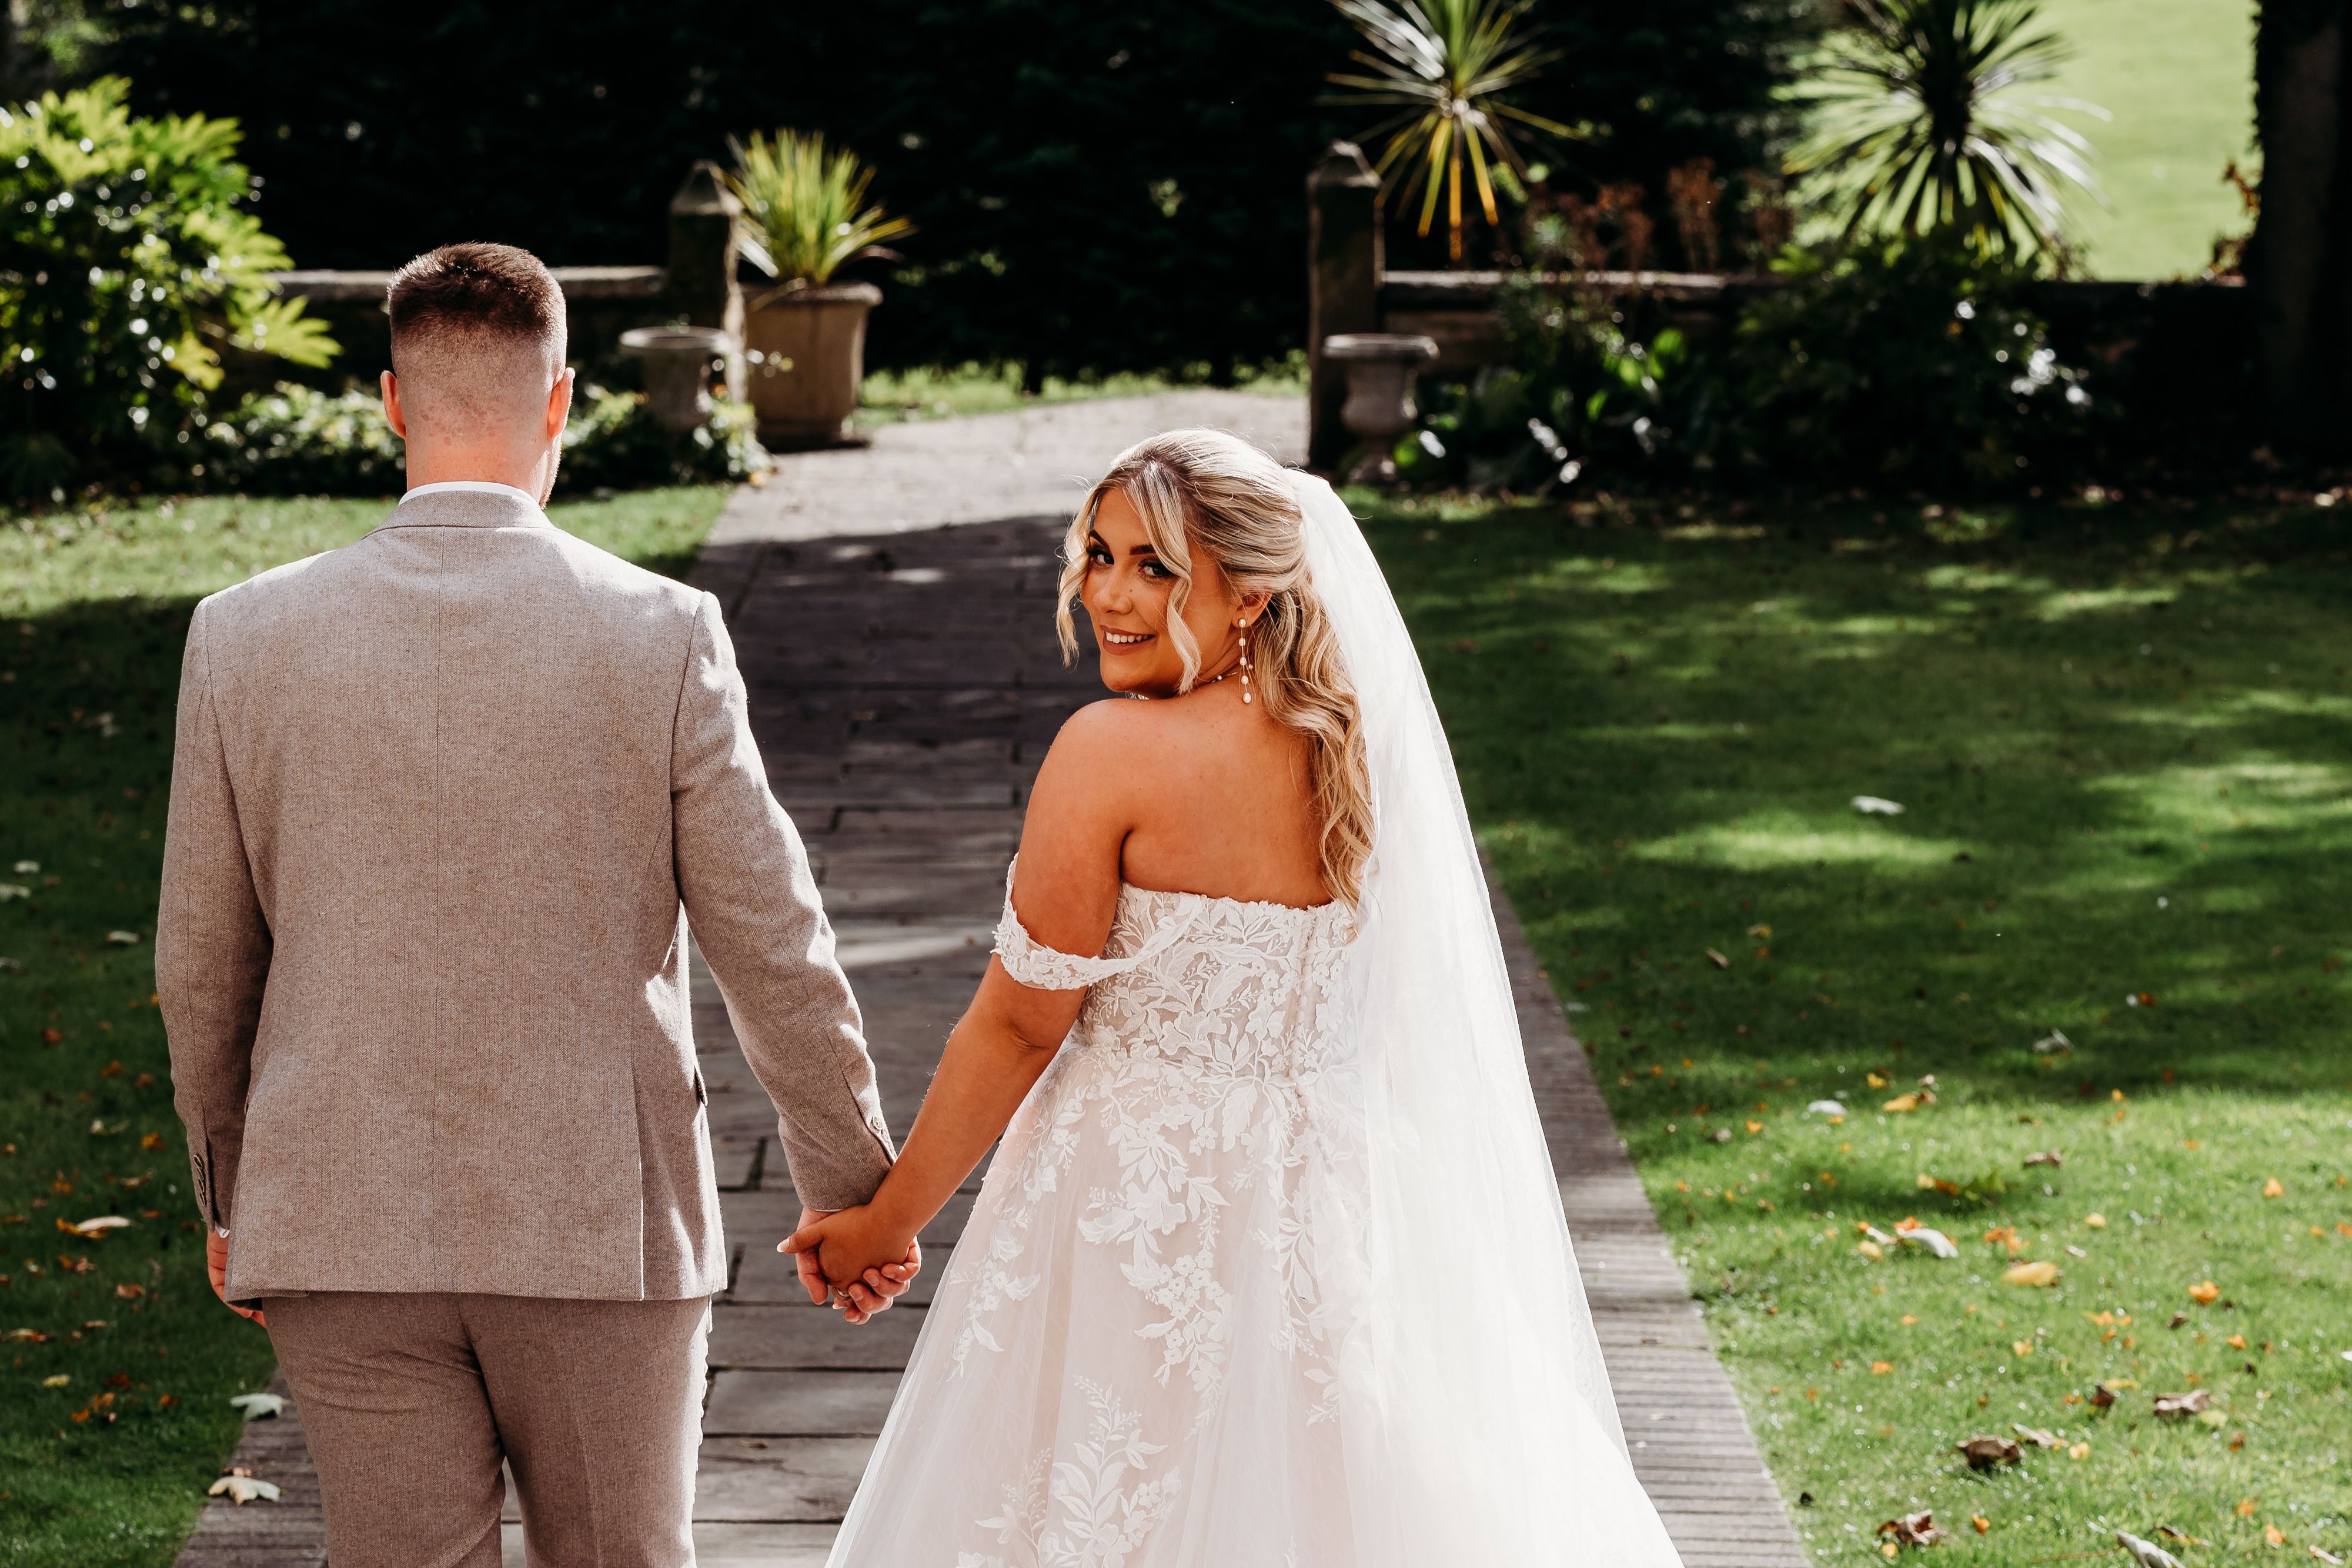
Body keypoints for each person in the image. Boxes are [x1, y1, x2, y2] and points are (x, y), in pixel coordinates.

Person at [786, 429, 1686, 1565]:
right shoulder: (1359, 746)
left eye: (1155, 568)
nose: (1110, 594)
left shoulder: (1109, 751)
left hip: (1129, 1204)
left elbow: (1020, 1023)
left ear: (1250, 595)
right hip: (1338, 1196)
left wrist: (885, 1219)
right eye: (1100, 555)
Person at [156, 241, 913, 1568]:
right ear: (561, 400)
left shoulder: (242, 633)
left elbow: (204, 962)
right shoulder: (662, 631)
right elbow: (771, 938)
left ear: (390, 401)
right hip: (598, 1218)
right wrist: (853, 1186)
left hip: (338, 1212)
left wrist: (233, 1192)